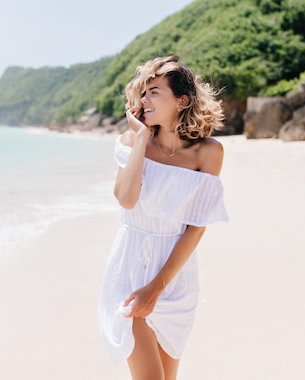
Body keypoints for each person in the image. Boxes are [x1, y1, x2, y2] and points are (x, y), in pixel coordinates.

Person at [98, 55, 229, 380]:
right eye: (143, 93)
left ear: (182, 100)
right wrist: (141, 138)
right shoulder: (132, 141)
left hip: (175, 278)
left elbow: (195, 228)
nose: (144, 100)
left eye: (154, 91)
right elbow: (127, 200)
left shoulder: (207, 153)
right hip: (129, 270)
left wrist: (157, 288)